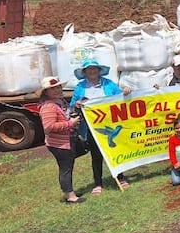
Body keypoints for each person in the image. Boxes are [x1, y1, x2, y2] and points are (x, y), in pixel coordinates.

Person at [70, 60, 131, 195]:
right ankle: (98, 183)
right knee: (96, 155)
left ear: (99, 70)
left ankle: (120, 177)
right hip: (91, 127)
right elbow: (73, 104)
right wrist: (78, 104)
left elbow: (120, 96)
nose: (92, 72)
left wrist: (126, 92)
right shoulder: (80, 87)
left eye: (94, 69)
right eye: (89, 70)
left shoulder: (108, 84)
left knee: (114, 150)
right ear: (84, 72)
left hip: (110, 124)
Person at [39, 76, 84, 204]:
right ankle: (70, 196)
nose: (57, 90)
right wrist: (70, 124)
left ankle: (69, 191)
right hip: (59, 143)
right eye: (52, 89)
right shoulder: (49, 106)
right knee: (65, 168)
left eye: (58, 87)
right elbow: (49, 127)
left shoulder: (59, 101)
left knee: (68, 166)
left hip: (67, 140)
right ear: (46, 92)